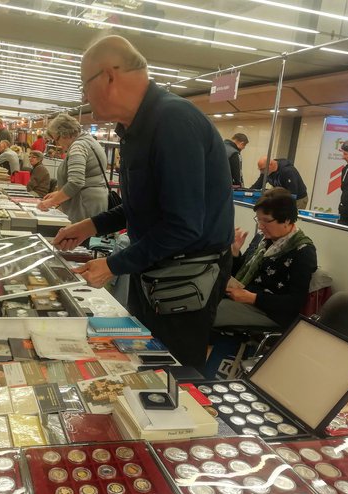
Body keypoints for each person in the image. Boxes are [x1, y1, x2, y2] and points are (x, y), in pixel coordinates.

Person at [52, 35, 234, 370]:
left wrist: (113, 265)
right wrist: (91, 225)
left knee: (171, 370)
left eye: (84, 86)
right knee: (141, 359)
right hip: (155, 266)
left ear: (109, 75)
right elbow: (144, 206)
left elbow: (182, 225)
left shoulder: (172, 121)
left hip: (186, 277)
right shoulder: (135, 128)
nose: (84, 97)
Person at [213, 187, 318, 330]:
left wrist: (252, 298)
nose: (260, 226)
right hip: (246, 301)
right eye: (259, 219)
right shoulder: (263, 239)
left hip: (271, 313)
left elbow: (295, 302)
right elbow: (241, 273)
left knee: (208, 311)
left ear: (287, 220)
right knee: (202, 300)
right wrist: (235, 252)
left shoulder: (303, 251)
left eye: (267, 221)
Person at [37, 113, 108, 223]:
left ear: (64, 134)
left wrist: (50, 203)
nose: (57, 144)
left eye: (57, 139)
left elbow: (76, 182)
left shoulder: (77, 147)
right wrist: (59, 193)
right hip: (93, 203)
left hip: (83, 206)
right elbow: (88, 177)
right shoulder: (90, 141)